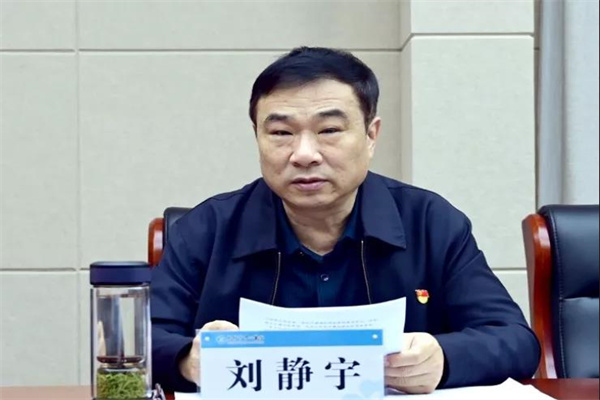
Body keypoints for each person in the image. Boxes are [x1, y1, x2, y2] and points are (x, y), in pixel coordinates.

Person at [151, 46, 540, 394]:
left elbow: (515, 341)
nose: (304, 154)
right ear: (258, 136)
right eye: (281, 132)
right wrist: (188, 359)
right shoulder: (207, 229)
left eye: (330, 130)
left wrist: (443, 357)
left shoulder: (429, 222)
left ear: (371, 135)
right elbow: (143, 338)